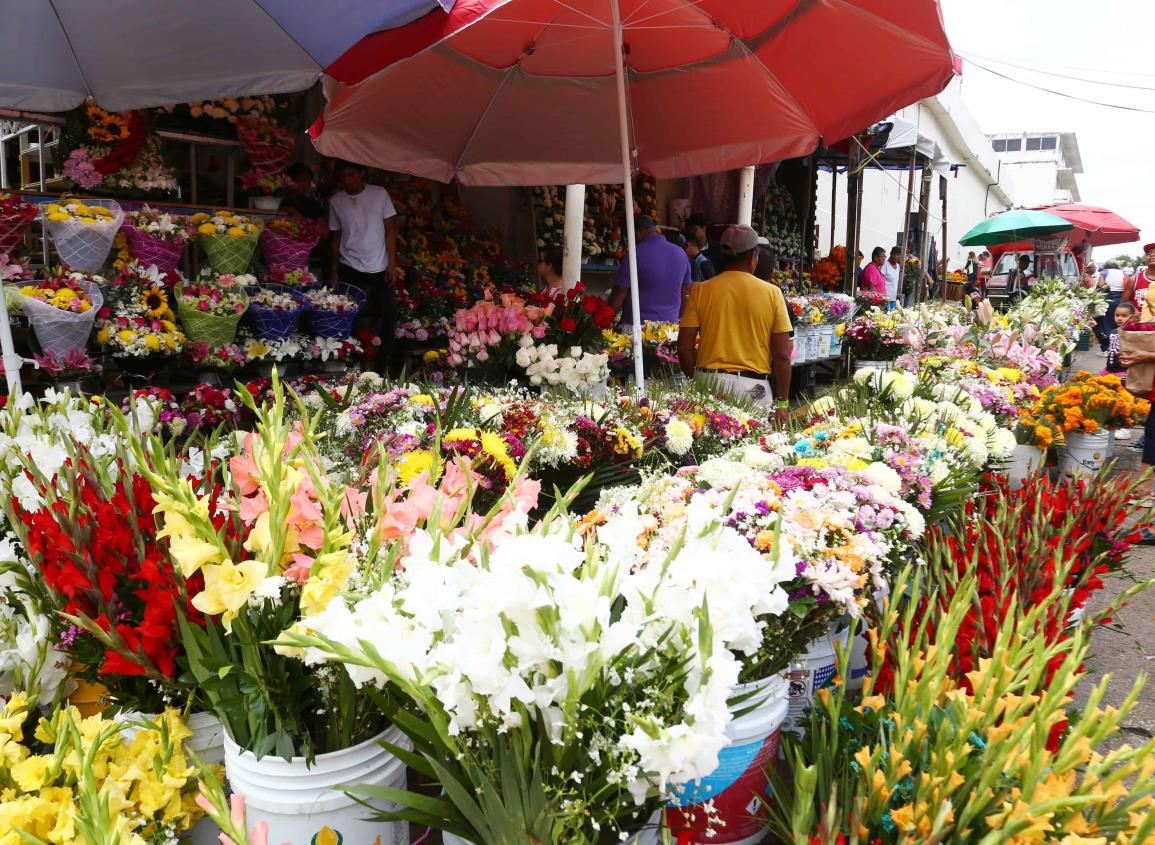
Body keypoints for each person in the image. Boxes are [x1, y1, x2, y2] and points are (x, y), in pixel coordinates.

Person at [677, 224, 793, 423]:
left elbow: (684, 348)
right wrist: (782, 403)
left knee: (708, 450)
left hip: (709, 382)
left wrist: (697, 380)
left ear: (723, 257)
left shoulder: (701, 290)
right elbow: (782, 355)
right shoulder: (772, 293)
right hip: (753, 389)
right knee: (753, 449)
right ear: (752, 258)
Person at [328, 161, 401, 373]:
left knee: (389, 315)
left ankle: (381, 367)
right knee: (351, 316)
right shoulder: (336, 201)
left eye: (351, 175)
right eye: (343, 177)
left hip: (379, 266)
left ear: (362, 174)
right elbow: (336, 236)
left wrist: (392, 264)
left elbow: (390, 230)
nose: (347, 181)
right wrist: (333, 269)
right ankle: (352, 365)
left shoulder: (379, 194)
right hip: (349, 265)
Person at [609, 216, 692, 328]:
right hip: (670, 326)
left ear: (640, 232)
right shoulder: (681, 253)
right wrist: (677, 317)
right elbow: (686, 291)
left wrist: (608, 316)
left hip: (638, 326)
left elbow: (621, 289)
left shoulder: (635, 253)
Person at [684, 213, 716, 280]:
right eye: (689, 231)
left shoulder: (716, 249)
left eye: (695, 229)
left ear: (704, 229)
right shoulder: (687, 250)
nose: (692, 232)